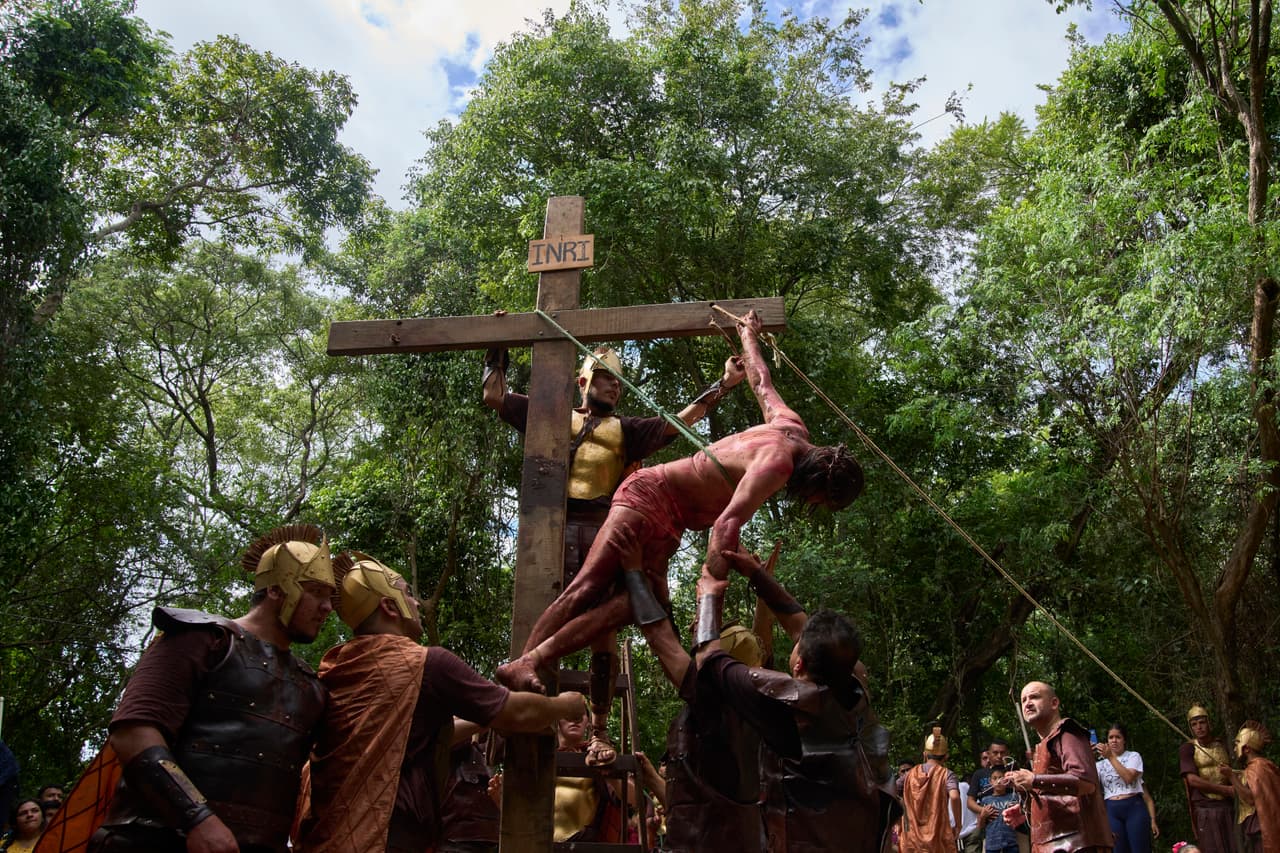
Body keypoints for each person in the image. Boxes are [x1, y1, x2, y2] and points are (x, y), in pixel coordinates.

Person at [498, 310, 864, 765]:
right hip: (649, 495)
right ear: (818, 484)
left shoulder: (793, 426)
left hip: (670, 518)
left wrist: (748, 336)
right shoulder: (778, 466)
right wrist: (711, 595)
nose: (808, 505)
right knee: (588, 586)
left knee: (637, 603)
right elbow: (725, 528)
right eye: (817, 502)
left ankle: (537, 658)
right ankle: (526, 662)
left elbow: (762, 381)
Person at [485, 339, 746, 766]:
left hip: (605, 528)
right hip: (550, 530)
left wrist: (725, 383)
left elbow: (677, 424)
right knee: (540, 613)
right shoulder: (550, 416)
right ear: (584, 379)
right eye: (606, 378)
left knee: (604, 632)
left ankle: (601, 730)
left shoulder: (624, 430)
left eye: (619, 383)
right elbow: (493, 396)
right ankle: (509, 705)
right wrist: (496, 347)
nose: (615, 387)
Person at [299, 552, 587, 852]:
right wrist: (566, 704)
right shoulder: (426, 663)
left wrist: (484, 713)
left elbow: (422, 733)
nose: (416, 602)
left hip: (326, 839)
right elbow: (516, 714)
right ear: (388, 605)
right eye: (408, 594)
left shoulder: (336, 668)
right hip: (384, 839)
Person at [89, 524, 336, 853]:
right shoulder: (203, 639)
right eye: (316, 591)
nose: (327, 607)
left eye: (330, 596)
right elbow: (133, 731)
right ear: (277, 590)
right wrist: (196, 818)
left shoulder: (311, 686)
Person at [635, 553, 892, 853]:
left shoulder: (776, 701)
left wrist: (703, 597)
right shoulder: (850, 676)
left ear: (800, 664)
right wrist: (755, 573)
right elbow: (805, 631)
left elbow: (702, 656)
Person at [1006, 681, 1111, 853]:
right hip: (1055, 844)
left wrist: (1034, 780)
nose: (1027, 703)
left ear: (1054, 703)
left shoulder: (1067, 733)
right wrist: (1028, 809)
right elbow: (1054, 795)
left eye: (1034, 697)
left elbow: (1085, 782)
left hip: (1078, 844)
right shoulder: (1044, 745)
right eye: (1024, 700)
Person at [1180, 706, 1237, 853]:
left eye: (1202, 722)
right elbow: (1192, 780)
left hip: (1228, 806)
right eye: (1194, 724)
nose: (1199, 727)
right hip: (1206, 808)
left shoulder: (1223, 744)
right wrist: (1226, 790)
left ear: (1208, 723)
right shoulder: (1188, 748)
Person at [900, 727, 962, 853]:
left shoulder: (909, 774)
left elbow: (891, 790)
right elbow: (954, 797)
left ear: (924, 754)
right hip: (937, 838)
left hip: (911, 839)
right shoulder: (947, 774)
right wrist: (958, 824)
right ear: (946, 756)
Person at [1224, 720, 1280, 853]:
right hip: (1255, 832)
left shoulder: (1258, 768)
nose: (1234, 748)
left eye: (1237, 743)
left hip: (1261, 831)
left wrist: (1231, 776)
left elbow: (1250, 798)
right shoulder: (1256, 768)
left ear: (1247, 748)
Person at [1096, 723, 1150, 853]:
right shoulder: (1099, 764)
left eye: (1118, 737)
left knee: (1140, 849)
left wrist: (1110, 756)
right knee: (1118, 849)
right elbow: (1090, 785)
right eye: (1111, 737)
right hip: (1111, 808)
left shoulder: (1133, 756)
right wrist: (1086, 753)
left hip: (1133, 806)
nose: (1114, 740)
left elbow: (1128, 777)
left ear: (1124, 740)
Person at [978, 767, 1021, 853]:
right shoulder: (985, 800)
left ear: (1006, 781)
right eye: (995, 778)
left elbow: (1022, 818)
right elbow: (980, 826)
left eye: (1001, 778)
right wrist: (983, 816)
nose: (998, 781)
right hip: (992, 844)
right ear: (990, 781)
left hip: (1011, 843)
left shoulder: (1014, 797)